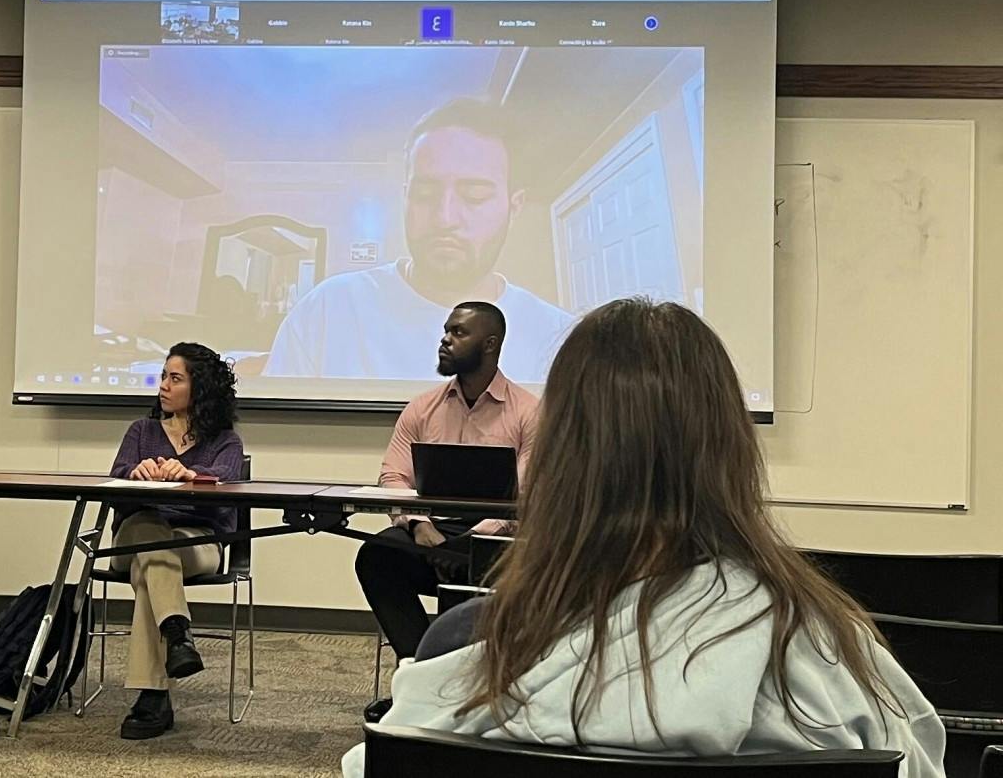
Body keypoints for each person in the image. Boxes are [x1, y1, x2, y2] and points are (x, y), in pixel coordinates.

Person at [344, 299, 945, 778]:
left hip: (486, 545)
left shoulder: (464, 651)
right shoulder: (838, 658)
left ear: (565, 456)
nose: (445, 339)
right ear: (730, 450)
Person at [267, 98, 574, 384]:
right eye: (425, 194)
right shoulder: (328, 310)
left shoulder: (559, 338)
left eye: (474, 196)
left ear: (514, 205)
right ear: (405, 196)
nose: (445, 218)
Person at [356, 302, 535, 681]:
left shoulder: (528, 412)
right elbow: (393, 476)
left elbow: (527, 493)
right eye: (446, 330)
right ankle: (423, 671)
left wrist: (473, 540)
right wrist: (420, 525)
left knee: (500, 566)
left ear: (490, 344)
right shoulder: (423, 407)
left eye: (458, 332)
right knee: (377, 556)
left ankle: (477, 679)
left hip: (496, 540)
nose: (445, 339)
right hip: (431, 535)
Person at [105, 342, 247, 740]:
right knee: (150, 536)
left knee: (152, 564)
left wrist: (188, 473)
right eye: (163, 376)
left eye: (175, 378)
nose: (163, 385)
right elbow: (112, 484)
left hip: (196, 541)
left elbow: (224, 486)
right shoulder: (141, 431)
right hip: (133, 536)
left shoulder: (225, 441)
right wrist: (135, 473)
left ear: (198, 388)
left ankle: (153, 698)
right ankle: (178, 635)